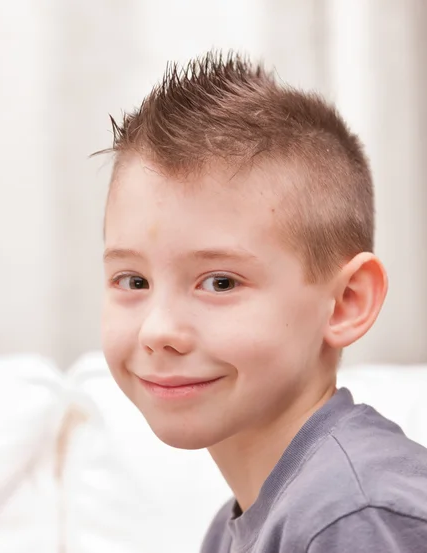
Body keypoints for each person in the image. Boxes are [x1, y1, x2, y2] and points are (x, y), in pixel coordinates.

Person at [97, 50, 427, 552]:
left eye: (220, 283)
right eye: (134, 281)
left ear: (345, 302)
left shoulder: (354, 515)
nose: (157, 330)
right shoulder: (246, 524)